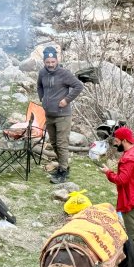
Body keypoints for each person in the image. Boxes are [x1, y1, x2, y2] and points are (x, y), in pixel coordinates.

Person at [99, 126, 134, 266]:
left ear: (124, 140)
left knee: (133, 232)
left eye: (117, 141)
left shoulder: (128, 159)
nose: (115, 144)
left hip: (130, 200)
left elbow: (121, 179)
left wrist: (108, 172)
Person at [37, 46, 84, 184]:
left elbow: (78, 86)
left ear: (57, 60)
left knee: (62, 143)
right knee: (53, 143)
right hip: (49, 114)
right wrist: (42, 99)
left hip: (63, 115)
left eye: (53, 62)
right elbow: (39, 86)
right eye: (48, 62)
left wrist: (66, 100)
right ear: (44, 62)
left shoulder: (64, 73)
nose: (50, 64)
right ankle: (63, 166)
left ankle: (63, 172)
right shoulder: (42, 73)